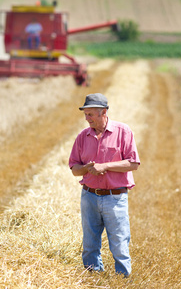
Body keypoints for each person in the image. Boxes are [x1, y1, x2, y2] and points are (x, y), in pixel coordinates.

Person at [69, 93, 140, 277]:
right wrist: (86, 168)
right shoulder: (82, 136)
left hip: (115, 197)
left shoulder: (123, 132)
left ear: (104, 112)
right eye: (85, 114)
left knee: (119, 244)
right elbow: (74, 168)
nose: (87, 118)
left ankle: (122, 280)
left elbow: (133, 163)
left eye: (90, 114)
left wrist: (105, 166)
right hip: (89, 196)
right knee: (90, 244)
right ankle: (93, 278)